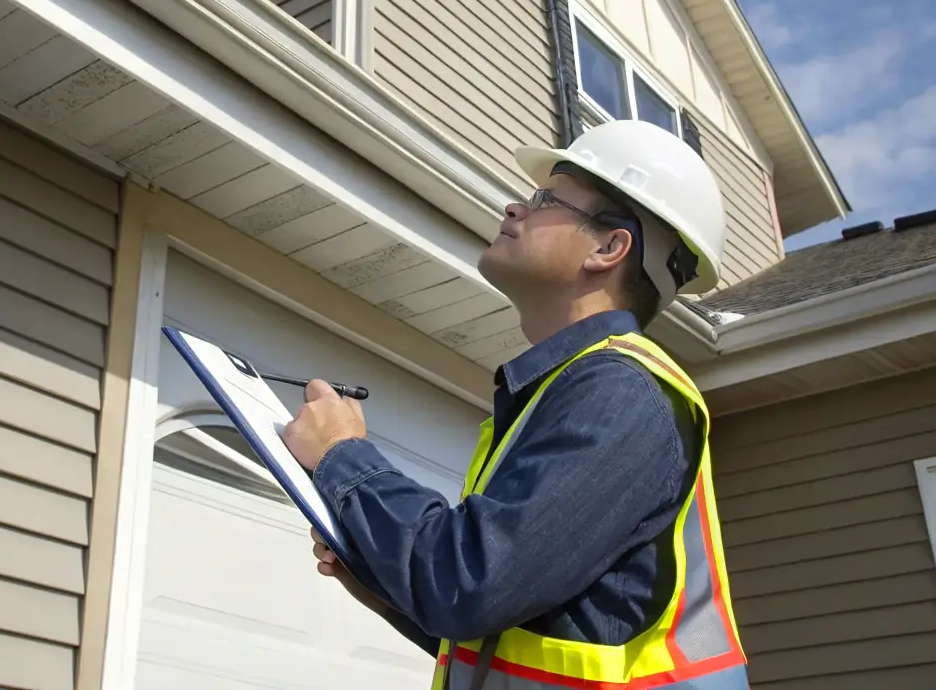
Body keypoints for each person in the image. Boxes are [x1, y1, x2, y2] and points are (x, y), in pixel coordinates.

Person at [281, 119, 748, 689]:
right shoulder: (571, 389)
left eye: (545, 200)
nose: (514, 208)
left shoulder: (620, 391)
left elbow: (469, 581)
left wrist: (342, 455)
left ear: (609, 247)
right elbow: (517, 621)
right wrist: (386, 589)